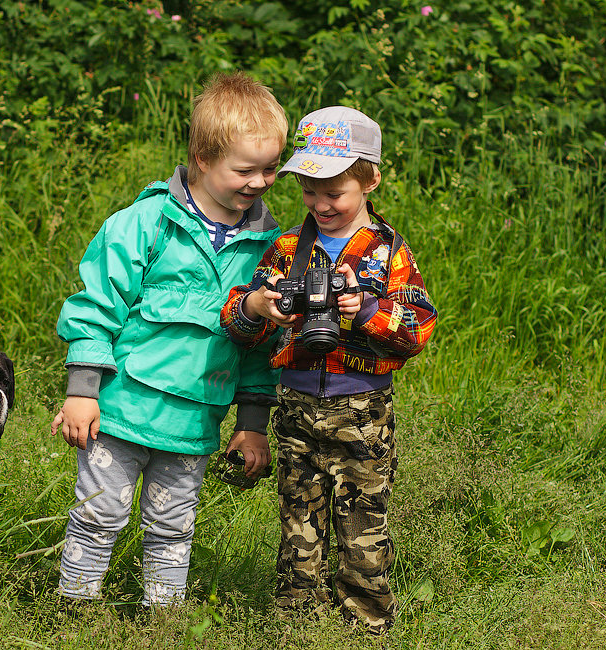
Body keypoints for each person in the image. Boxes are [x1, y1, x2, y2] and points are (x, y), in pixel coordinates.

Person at [50, 72, 288, 608]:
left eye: (270, 168)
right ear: (203, 158)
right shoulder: (146, 224)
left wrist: (252, 427)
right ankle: (76, 613)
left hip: (193, 422)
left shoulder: (271, 248)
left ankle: (163, 620)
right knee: (97, 516)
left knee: (173, 528)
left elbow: (262, 348)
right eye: (245, 169)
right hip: (118, 413)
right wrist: (82, 391)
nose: (260, 181)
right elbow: (95, 308)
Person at [220, 106, 437, 634]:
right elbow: (236, 319)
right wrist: (258, 308)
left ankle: (365, 626)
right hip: (296, 408)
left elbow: (417, 328)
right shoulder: (291, 249)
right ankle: (297, 624)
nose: (320, 204)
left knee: (362, 529)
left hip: (362, 410)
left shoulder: (387, 254)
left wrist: (364, 311)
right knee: (298, 525)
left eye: (333, 192)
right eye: (309, 193)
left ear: (370, 181)